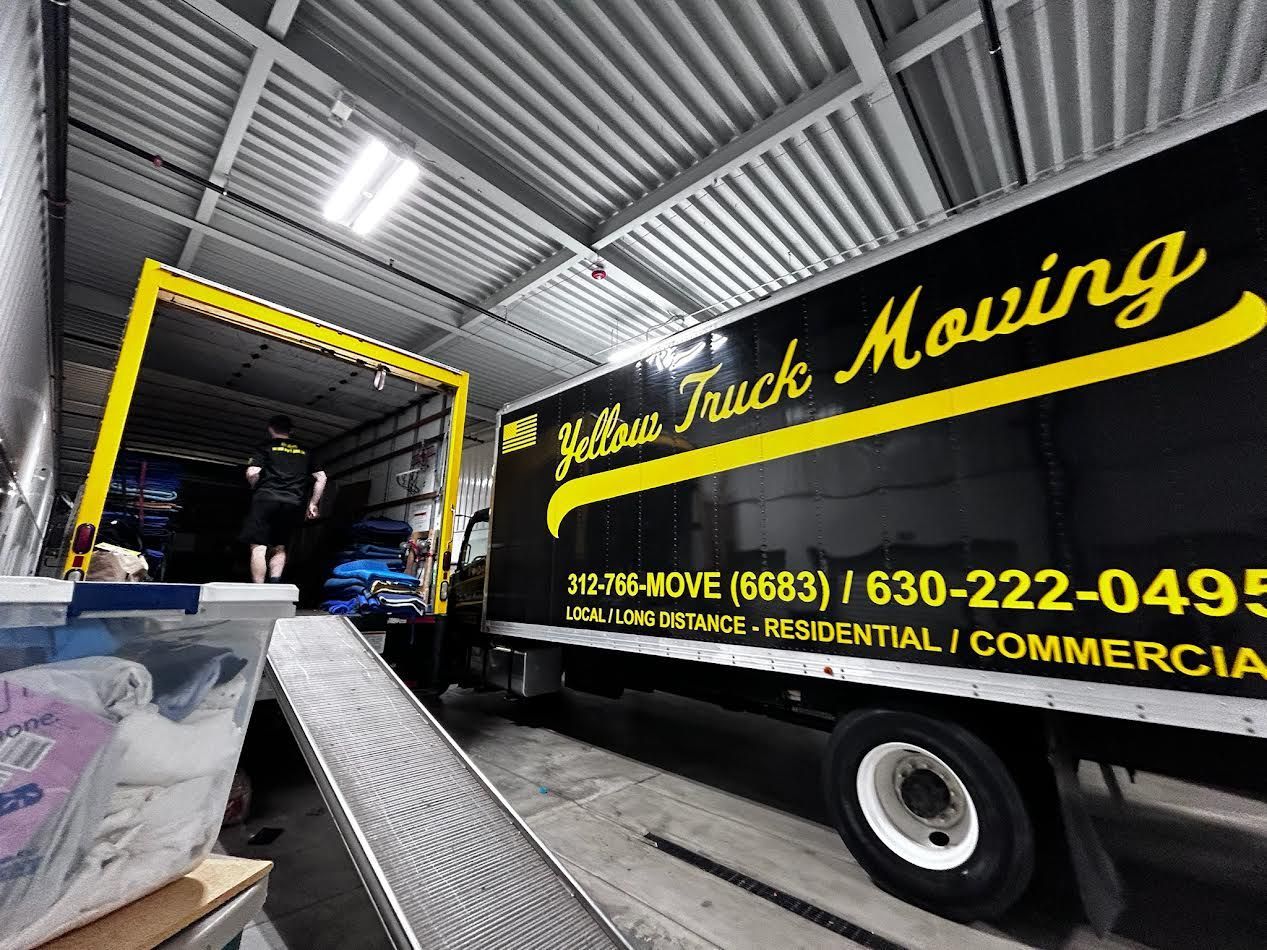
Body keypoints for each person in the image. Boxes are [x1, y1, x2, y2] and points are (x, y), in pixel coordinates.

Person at [239, 415, 326, 583]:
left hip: (265, 499)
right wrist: (313, 504)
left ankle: (258, 590)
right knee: (279, 546)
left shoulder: (265, 447)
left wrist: (254, 486)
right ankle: (274, 586)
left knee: (259, 547)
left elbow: (252, 472)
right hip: (293, 503)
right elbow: (322, 478)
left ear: (270, 428)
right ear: (291, 430)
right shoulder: (306, 450)